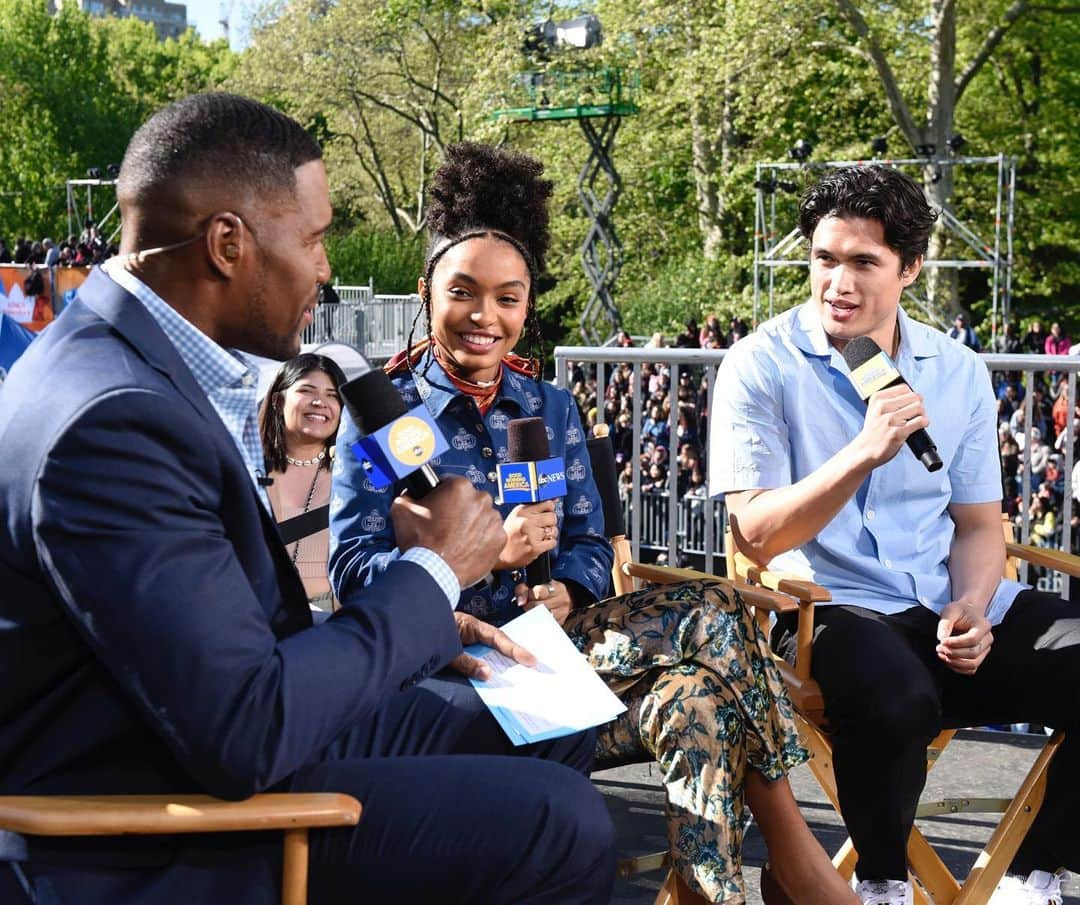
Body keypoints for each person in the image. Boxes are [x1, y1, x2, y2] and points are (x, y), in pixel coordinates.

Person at [0, 93, 617, 905]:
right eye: (316, 238)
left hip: (202, 741)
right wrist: (434, 571)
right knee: (563, 825)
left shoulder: (121, 364)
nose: (326, 269)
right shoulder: (114, 419)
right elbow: (245, 732)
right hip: (154, 834)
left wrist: (425, 620)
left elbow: (215, 638)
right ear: (227, 244)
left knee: (543, 722)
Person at [329, 141, 860, 905]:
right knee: (703, 651)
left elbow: (584, 544)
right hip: (444, 663)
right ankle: (794, 852)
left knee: (701, 664)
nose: (486, 316)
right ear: (424, 292)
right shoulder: (385, 416)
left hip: (559, 656)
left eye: (509, 298)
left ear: (527, 306)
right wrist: (467, 562)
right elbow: (351, 570)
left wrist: (569, 593)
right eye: (464, 293)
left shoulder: (549, 406)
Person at [711, 164, 1080, 905]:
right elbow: (753, 533)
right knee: (895, 692)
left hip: (940, 601)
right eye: (823, 258)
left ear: (910, 267)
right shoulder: (761, 364)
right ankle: (881, 882)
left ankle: (1027, 872)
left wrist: (974, 602)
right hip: (822, 609)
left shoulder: (957, 369)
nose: (837, 283)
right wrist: (860, 453)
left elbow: (978, 524)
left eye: (862, 262)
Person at [261, 352, 347, 611]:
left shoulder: (357, 469)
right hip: (266, 613)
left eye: (333, 395)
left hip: (341, 617)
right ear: (278, 401)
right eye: (307, 391)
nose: (320, 402)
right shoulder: (248, 465)